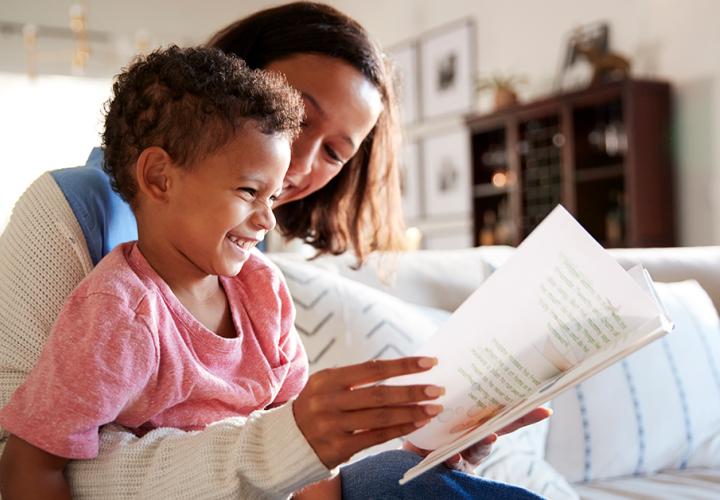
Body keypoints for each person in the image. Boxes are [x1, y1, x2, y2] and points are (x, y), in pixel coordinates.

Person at [0, 2, 549, 498]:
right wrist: (286, 444)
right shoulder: (107, 282)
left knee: (416, 483)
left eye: (336, 152)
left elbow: (298, 452)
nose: (301, 168)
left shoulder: (254, 279)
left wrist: (432, 447)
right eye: (299, 117)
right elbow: (35, 456)